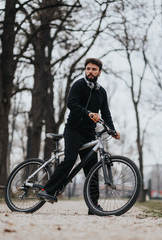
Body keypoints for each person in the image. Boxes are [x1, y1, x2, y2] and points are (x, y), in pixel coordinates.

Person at [37, 58, 120, 213]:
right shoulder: (79, 85)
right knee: (69, 160)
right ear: (85, 70)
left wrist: (112, 130)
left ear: (99, 73)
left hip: (89, 134)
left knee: (93, 170)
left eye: (94, 69)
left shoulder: (101, 92)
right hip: (73, 130)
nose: (90, 71)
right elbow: (71, 104)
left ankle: (93, 206)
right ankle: (46, 190)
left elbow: (106, 114)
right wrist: (88, 113)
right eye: (88, 68)